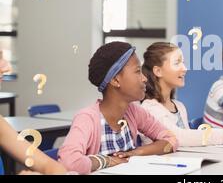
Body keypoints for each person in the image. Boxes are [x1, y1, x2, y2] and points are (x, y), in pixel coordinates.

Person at [58, 41, 178, 174]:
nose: (144, 78)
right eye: (138, 71)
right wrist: (108, 161)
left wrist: (136, 153)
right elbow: (68, 162)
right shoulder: (87, 119)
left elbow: (170, 139)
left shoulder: (134, 112)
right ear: (115, 80)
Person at [140, 42, 223, 146]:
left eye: (183, 62)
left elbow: (188, 143)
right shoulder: (150, 108)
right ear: (158, 71)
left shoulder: (179, 106)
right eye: (177, 63)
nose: (185, 68)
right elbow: (176, 137)